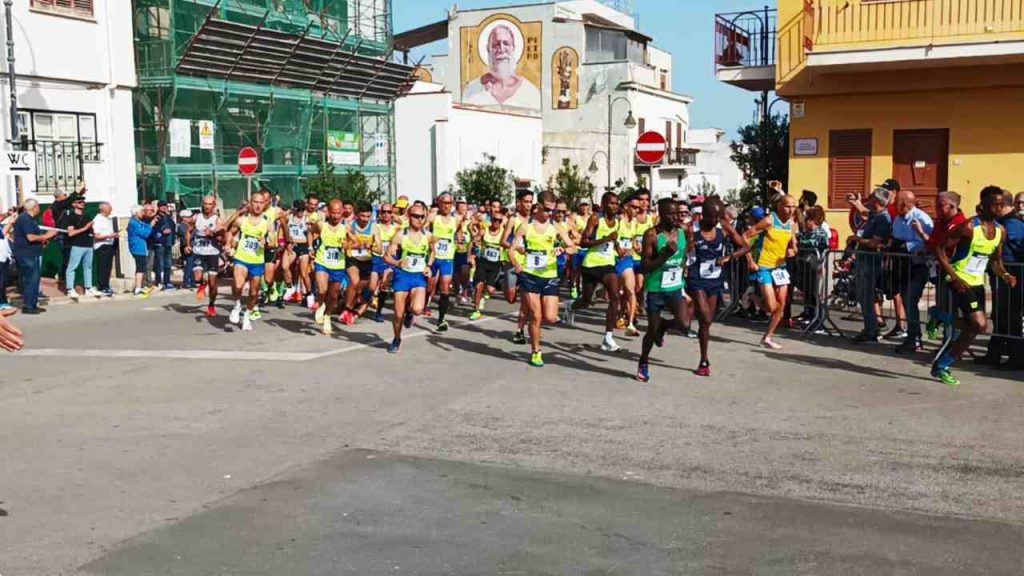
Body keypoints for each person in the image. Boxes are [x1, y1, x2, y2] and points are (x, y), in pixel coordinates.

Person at [931, 186, 1017, 387]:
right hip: (959, 280)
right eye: (994, 204)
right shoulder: (969, 227)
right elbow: (940, 249)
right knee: (980, 324)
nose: (998, 208)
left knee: (975, 328)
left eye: (1001, 204)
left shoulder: (1000, 231)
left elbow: (995, 261)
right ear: (983, 205)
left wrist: (1005, 274)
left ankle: (940, 324)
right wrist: (954, 277)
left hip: (977, 282)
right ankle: (943, 364)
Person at [510, 191, 577, 367]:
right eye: (547, 210)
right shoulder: (525, 227)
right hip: (530, 276)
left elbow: (573, 247)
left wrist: (563, 249)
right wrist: (517, 264)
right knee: (536, 316)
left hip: (549, 276)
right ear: (538, 206)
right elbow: (511, 249)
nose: (550, 213)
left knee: (550, 316)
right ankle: (536, 352)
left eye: (552, 210)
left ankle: (567, 308)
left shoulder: (555, 228)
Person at [686, 197, 750, 376]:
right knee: (705, 318)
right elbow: (681, 252)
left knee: (707, 323)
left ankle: (701, 359)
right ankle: (705, 359)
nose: (715, 220)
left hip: (714, 279)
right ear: (703, 214)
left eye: (718, 216)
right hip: (696, 277)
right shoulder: (692, 229)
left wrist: (729, 257)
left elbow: (745, 247)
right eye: (712, 217)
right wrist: (686, 250)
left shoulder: (723, 227)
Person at [636, 198, 689, 382]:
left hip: (675, 287)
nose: (676, 217)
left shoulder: (683, 232)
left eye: (678, 213)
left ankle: (665, 326)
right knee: (651, 329)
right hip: (656, 289)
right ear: (661, 214)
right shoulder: (651, 235)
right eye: (671, 214)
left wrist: (682, 269)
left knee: (685, 324)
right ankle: (643, 361)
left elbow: (684, 255)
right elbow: (644, 266)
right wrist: (665, 254)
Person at [571, 191, 623, 352]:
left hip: (608, 263)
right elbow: (583, 242)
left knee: (615, 297)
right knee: (586, 301)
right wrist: (605, 239)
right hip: (591, 264)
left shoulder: (617, 221)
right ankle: (570, 307)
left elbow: (614, 240)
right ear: (603, 204)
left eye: (617, 203)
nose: (615, 206)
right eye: (611, 203)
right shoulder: (596, 219)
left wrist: (618, 248)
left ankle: (608, 337)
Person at [744, 195, 798, 349]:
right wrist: (750, 260)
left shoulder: (792, 224)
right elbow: (745, 237)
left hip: (780, 268)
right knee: (771, 306)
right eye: (788, 206)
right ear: (779, 206)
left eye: (794, 206)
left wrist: (792, 251)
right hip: (764, 266)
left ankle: (768, 337)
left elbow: (794, 246)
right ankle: (751, 296)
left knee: (780, 307)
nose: (791, 210)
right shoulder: (769, 221)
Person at [979, 190, 1024, 370]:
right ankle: (994, 354)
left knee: (1010, 317)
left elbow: (1017, 249)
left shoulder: (1012, 224)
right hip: (1002, 275)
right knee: (1000, 316)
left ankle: (1017, 358)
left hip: (1012, 276)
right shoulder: (1003, 223)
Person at [384, 201, 434, 353]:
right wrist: (396, 262)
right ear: (409, 217)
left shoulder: (428, 236)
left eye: (422, 216)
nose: (419, 219)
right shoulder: (400, 235)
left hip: (418, 276)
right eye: (415, 216)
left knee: (418, 309)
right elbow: (387, 256)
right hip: (402, 276)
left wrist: (429, 266)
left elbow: (432, 252)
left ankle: (410, 313)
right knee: (398, 314)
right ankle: (397, 338)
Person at [890, 190, 934, 353]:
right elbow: (895, 237)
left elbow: (928, 242)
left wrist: (906, 246)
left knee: (910, 298)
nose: (895, 206)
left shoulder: (922, 218)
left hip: (918, 265)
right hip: (902, 263)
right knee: (905, 298)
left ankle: (915, 337)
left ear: (905, 203)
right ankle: (912, 335)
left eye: (897, 203)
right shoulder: (898, 219)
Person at [847, 187, 893, 343]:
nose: (869, 199)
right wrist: (856, 203)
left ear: (878, 201)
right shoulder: (875, 215)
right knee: (862, 294)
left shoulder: (883, 219)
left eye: (872, 197)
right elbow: (865, 212)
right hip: (864, 260)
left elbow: (874, 243)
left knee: (866, 295)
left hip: (872, 261)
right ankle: (870, 327)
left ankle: (871, 330)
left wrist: (856, 239)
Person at [463, 24, 541, 109]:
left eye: (506, 43)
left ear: (513, 48)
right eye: (496, 44)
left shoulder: (530, 92)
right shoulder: (472, 90)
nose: (501, 49)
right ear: (488, 49)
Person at [226, 194, 272, 332]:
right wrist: (229, 245)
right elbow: (230, 232)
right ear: (250, 203)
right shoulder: (241, 221)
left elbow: (272, 238)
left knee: (253, 293)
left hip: (257, 261)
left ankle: (247, 315)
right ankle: (237, 306)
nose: (258, 205)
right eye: (255, 202)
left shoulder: (267, 222)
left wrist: (267, 241)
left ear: (264, 204)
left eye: (261, 203)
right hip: (242, 258)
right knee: (239, 285)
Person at [309, 199, 349, 336]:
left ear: (342, 213)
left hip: (338, 265)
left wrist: (348, 245)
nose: (335, 216)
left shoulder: (346, 227)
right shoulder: (321, 225)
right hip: (322, 261)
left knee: (333, 295)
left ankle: (328, 316)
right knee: (322, 289)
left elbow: (356, 242)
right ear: (329, 212)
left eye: (338, 213)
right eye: (333, 213)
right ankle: (320, 304)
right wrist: (310, 247)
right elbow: (310, 231)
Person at [13, 199, 58, 313]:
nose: (39, 208)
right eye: (38, 205)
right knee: (31, 279)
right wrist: (46, 236)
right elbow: (30, 237)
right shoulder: (25, 218)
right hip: (26, 254)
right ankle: (28, 306)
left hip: (33, 252)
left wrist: (42, 241)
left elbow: (34, 237)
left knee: (35, 279)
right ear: (33, 207)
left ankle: (33, 304)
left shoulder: (32, 219)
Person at [427, 192, 463, 332]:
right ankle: (419, 307)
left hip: (447, 257)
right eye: (444, 203)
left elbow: (459, 230)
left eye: (449, 203)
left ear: (452, 205)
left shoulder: (457, 219)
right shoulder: (433, 217)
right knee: (430, 286)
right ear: (439, 203)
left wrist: (459, 239)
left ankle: (441, 319)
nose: (446, 206)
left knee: (445, 287)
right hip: (433, 256)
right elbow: (422, 229)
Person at [502, 189, 534, 344]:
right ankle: (503, 283)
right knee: (510, 298)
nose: (528, 205)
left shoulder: (535, 220)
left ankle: (519, 331)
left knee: (525, 300)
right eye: (526, 202)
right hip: (513, 261)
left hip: (528, 265)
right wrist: (516, 248)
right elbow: (502, 241)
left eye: (530, 202)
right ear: (519, 202)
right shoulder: (513, 220)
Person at [188, 195, 225, 317]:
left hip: (212, 253)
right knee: (198, 278)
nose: (207, 206)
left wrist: (212, 234)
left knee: (213, 284)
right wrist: (187, 244)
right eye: (205, 204)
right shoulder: (196, 217)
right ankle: (202, 284)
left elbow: (221, 237)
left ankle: (211, 305)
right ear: (202, 204)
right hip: (198, 251)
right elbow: (188, 230)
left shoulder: (217, 219)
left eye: (210, 204)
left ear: (214, 205)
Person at [59, 195, 100, 300]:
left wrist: (93, 234)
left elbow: (91, 230)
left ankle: (88, 288)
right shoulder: (70, 216)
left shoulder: (87, 216)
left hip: (88, 245)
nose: (82, 203)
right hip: (77, 245)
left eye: (83, 201)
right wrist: (85, 228)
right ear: (74, 204)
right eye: (79, 202)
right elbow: (71, 233)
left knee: (88, 267)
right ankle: (70, 289)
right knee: (72, 267)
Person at [469, 207, 505, 321]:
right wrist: (470, 255)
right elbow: (474, 241)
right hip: (483, 261)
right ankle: (476, 310)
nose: (496, 222)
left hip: (496, 264)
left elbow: (509, 245)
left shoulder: (503, 233)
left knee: (491, 290)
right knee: (478, 285)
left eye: (499, 221)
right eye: (495, 220)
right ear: (491, 220)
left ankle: (483, 291)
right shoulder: (485, 230)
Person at [342, 201, 375, 324]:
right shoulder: (349, 226)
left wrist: (372, 246)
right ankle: (347, 309)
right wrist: (354, 245)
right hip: (353, 259)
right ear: (356, 215)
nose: (365, 219)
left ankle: (347, 303)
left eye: (368, 216)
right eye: (363, 216)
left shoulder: (373, 227)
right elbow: (343, 245)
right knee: (354, 281)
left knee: (359, 290)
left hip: (367, 261)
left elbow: (379, 248)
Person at [615, 195, 641, 337]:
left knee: (630, 290)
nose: (637, 210)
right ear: (626, 207)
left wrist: (637, 247)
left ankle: (630, 324)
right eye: (634, 207)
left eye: (638, 208)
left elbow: (633, 240)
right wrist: (618, 248)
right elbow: (612, 239)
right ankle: (618, 315)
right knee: (617, 293)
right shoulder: (618, 221)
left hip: (627, 261)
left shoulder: (634, 223)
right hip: (614, 260)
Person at [370, 202, 399, 322]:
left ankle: (379, 312)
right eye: (383, 212)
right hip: (377, 258)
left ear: (392, 214)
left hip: (390, 259)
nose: (386, 215)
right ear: (379, 214)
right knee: (372, 287)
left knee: (385, 284)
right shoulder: (374, 226)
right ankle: (372, 298)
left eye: (389, 212)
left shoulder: (397, 228)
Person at [127, 205, 155, 298]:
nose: (143, 213)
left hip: (141, 248)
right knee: (140, 268)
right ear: (136, 213)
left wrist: (151, 222)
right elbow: (145, 234)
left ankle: (140, 286)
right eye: (141, 211)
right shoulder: (133, 223)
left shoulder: (138, 222)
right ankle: (138, 288)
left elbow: (145, 225)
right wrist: (151, 226)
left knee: (142, 268)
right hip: (137, 248)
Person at [92, 202, 118, 297]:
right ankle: (102, 286)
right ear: (104, 209)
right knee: (103, 267)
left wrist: (113, 235)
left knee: (108, 267)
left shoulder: (107, 219)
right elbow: (97, 235)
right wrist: (109, 235)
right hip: (102, 245)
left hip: (109, 244)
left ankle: (107, 285)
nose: (111, 210)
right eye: (109, 208)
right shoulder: (98, 219)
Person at [152, 201, 177, 291]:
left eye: (165, 206)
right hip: (160, 243)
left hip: (169, 243)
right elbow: (153, 230)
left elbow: (173, 228)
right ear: (158, 207)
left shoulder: (168, 217)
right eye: (162, 206)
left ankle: (167, 282)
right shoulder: (156, 217)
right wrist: (162, 232)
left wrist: (173, 238)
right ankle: (159, 281)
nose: (164, 207)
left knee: (168, 264)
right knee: (160, 264)